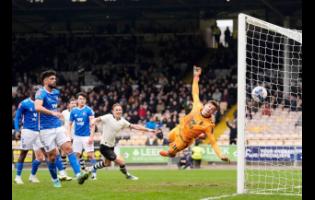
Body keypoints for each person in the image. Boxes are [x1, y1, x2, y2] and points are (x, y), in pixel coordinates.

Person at [159, 66, 230, 164]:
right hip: (178, 129)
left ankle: (170, 153)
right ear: (205, 105)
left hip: (184, 140)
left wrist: (220, 155)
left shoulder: (208, 125)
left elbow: (213, 142)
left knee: (171, 152)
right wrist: (196, 76)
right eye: (209, 106)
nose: (210, 109)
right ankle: (170, 146)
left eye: (212, 109)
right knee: (168, 138)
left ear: (213, 112)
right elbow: (195, 92)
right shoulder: (198, 105)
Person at [34, 70, 88, 187]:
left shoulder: (56, 92)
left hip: (58, 126)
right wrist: (52, 113)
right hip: (45, 129)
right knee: (52, 157)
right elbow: (37, 107)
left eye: (55, 78)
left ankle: (78, 175)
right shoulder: (40, 92)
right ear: (45, 80)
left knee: (69, 148)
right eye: (52, 79)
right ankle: (55, 179)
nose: (55, 80)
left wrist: (55, 115)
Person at [81, 103, 161, 181]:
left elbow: (135, 126)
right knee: (121, 161)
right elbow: (97, 119)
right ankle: (128, 175)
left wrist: (150, 130)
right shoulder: (108, 117)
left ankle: (90, 169)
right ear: (113, 111)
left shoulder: (123, 121)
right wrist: (93, 121)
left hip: (111, 146)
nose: (119, 111)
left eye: (120, 110)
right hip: (104, 146)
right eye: (117, 110)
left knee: (107, 164)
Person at [14, 86, 70, 184]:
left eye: (38, 91)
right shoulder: (24, 103)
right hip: (28, 131)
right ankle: (18, 177)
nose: (37, 92)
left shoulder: (43, 103)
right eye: (35, 91)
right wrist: (17, 130)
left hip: (41, 131)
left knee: (50, 154)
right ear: (31, 92)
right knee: (24, 153)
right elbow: (17, 117)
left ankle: (58, 174)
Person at [68, 92, 97, 180]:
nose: (82, 100)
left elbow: (93, 124)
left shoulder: (89, 110)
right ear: (77, 100)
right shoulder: (73, 111)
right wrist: (69, 136)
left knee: (90, 155)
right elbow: (69, 124)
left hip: (86, 136)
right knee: (76, 155)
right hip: (77, 137)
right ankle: (78, 174)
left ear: (86, 100)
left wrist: (91, 136)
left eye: (83, 99)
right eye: (80, 99)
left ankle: (94, 174)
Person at [60, 98, 77, 173]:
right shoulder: (64, 112)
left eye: (74, 103)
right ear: (69, 105)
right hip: (66, 135)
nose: (73, 104)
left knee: (77, 152)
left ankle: (81, 169)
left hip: (76, 135)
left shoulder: (78, 112)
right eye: (72, 103)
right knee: (63, 152)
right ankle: (63, 170)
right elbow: (61, 123)